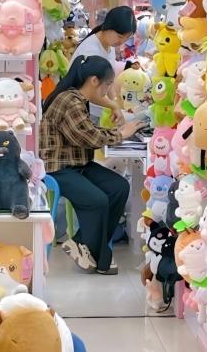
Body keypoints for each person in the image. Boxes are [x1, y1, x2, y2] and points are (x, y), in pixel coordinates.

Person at [41, 56, 146, 274]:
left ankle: (82, 243)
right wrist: (122, 133)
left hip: (78, 164)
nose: (108, 92)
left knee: (119, 187)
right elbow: (89, 137)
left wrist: (114, 112)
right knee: (97, 200)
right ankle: (100, 256)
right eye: (108, 85)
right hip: (59, 168)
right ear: (94, 80)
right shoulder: (70, 101)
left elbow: (89, 128)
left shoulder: (76, 97)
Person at [70, 5, 137, 125]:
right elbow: (90, 91)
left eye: (126, 38)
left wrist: (116, 102)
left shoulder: (109, 45)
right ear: (109, 27)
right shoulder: (91, 50)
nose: (121, 42)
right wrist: (114, 106)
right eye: (120, 36)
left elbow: (108, 80)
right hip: (83, 111)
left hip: (96, 111)